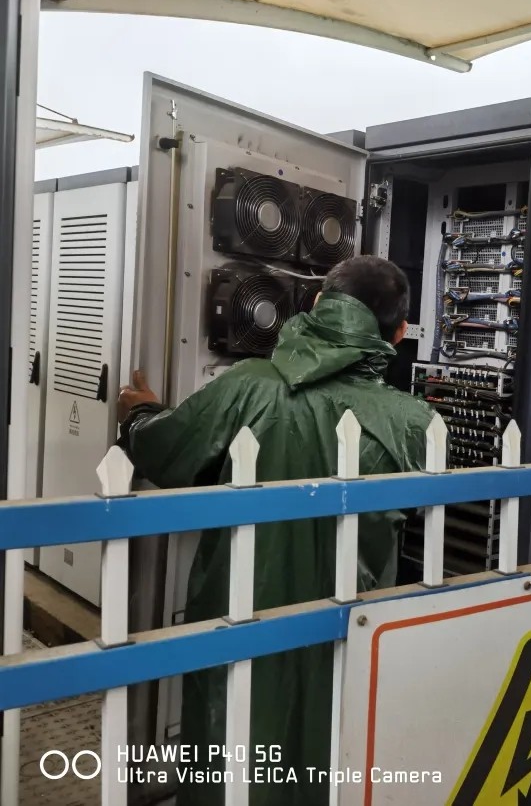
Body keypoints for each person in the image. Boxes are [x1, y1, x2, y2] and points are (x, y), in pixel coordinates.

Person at [117, 256, 433, 806]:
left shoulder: (247, 385)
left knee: (232, 748)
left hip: (240, 613)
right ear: (401, 333)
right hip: (353, 619)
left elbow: (168, 454)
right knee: (332, 745)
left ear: (318, 305)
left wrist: (139, 416)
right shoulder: (417, 423)